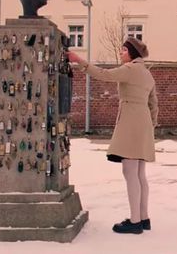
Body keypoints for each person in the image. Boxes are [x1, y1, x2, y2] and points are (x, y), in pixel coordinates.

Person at [67, 37, 158, 234]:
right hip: (143, 122)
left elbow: (103, 74)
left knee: (129, 171)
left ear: (133, 53)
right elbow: (154, 104)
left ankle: (134, 222)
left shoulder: (130, 69)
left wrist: (78, 60)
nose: (121, 53)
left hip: (131, 121)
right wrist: (151, 125)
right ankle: (144, 218)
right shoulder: (147, 73)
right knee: (140, 173)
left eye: (124, 50)